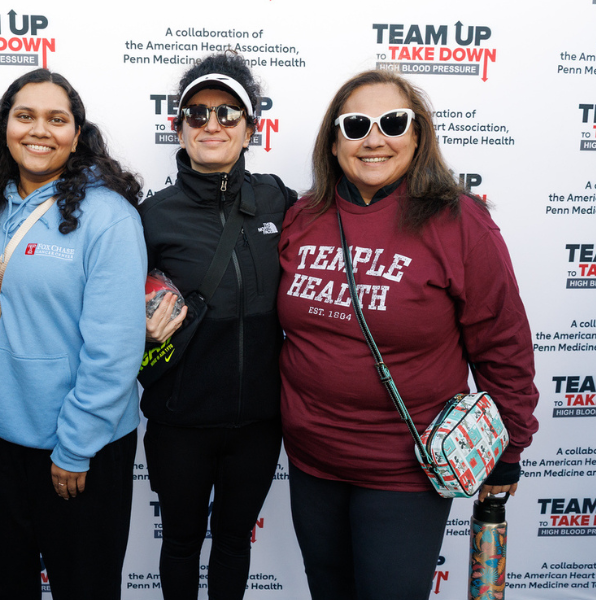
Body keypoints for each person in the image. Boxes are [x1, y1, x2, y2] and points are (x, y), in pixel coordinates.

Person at [277, 69, 539, 600]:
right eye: (355, 126)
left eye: (393, 122)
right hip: (311, 462)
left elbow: (502, 341)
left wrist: (509, 447)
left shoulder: (459, 221)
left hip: (406, 470)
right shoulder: (304, 215)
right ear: (333, 142)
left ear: (417, 136)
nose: (374, 139)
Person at [0, 68, 147, 600]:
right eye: (25, 116)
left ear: (77, 133)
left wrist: (74, 447)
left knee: (84, 588)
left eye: (56, 119)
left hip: (77, 448)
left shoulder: (109, 217)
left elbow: (114, 350)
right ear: (5, 126)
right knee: (0, 586)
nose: (39, 130)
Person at [137, 52, 294, 600]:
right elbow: (111, 315)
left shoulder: (281, 200)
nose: (212, 125)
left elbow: (358, 224)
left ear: (251, 129)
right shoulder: (150, 216)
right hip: (180, 422)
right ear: (178, 127)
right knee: (180, 542)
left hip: (258, 423)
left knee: (233, 541)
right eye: (196, 113)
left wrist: (444, 209)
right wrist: (142, 333)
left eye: (229, 114)